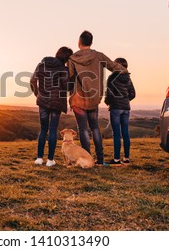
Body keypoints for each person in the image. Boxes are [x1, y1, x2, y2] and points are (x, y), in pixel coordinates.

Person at [68, 30, 127, 165]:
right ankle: (100, 160)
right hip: (94, 98)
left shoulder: (72, 59)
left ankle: (87, 159)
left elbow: (69, 78)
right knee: (94, 127)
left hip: (78, 98)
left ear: (79, 42)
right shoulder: (99, 56)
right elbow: (114, 66)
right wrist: (125, 71)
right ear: (91, 42)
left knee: (82, 129)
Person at [30, 46, 73, 167]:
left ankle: (39, 158)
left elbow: (32, 80)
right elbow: (66, 87)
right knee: (53, 130)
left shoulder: (41, 65)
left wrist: (38, 94)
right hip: (56, 103)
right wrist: (73, 79)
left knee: (43, 129)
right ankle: (50, 160)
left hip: (43, 101)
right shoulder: (63, 69)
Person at [105, 58, 136, 165]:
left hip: (115, 107)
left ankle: (117, 159)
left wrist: (108, 102)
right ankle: (126, 158)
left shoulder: (112, 78)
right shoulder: (128, 78)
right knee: (125, 133)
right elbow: (133, 94)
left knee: (116, 134)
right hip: (126, 108)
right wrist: (125, 100)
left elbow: (109, 94)